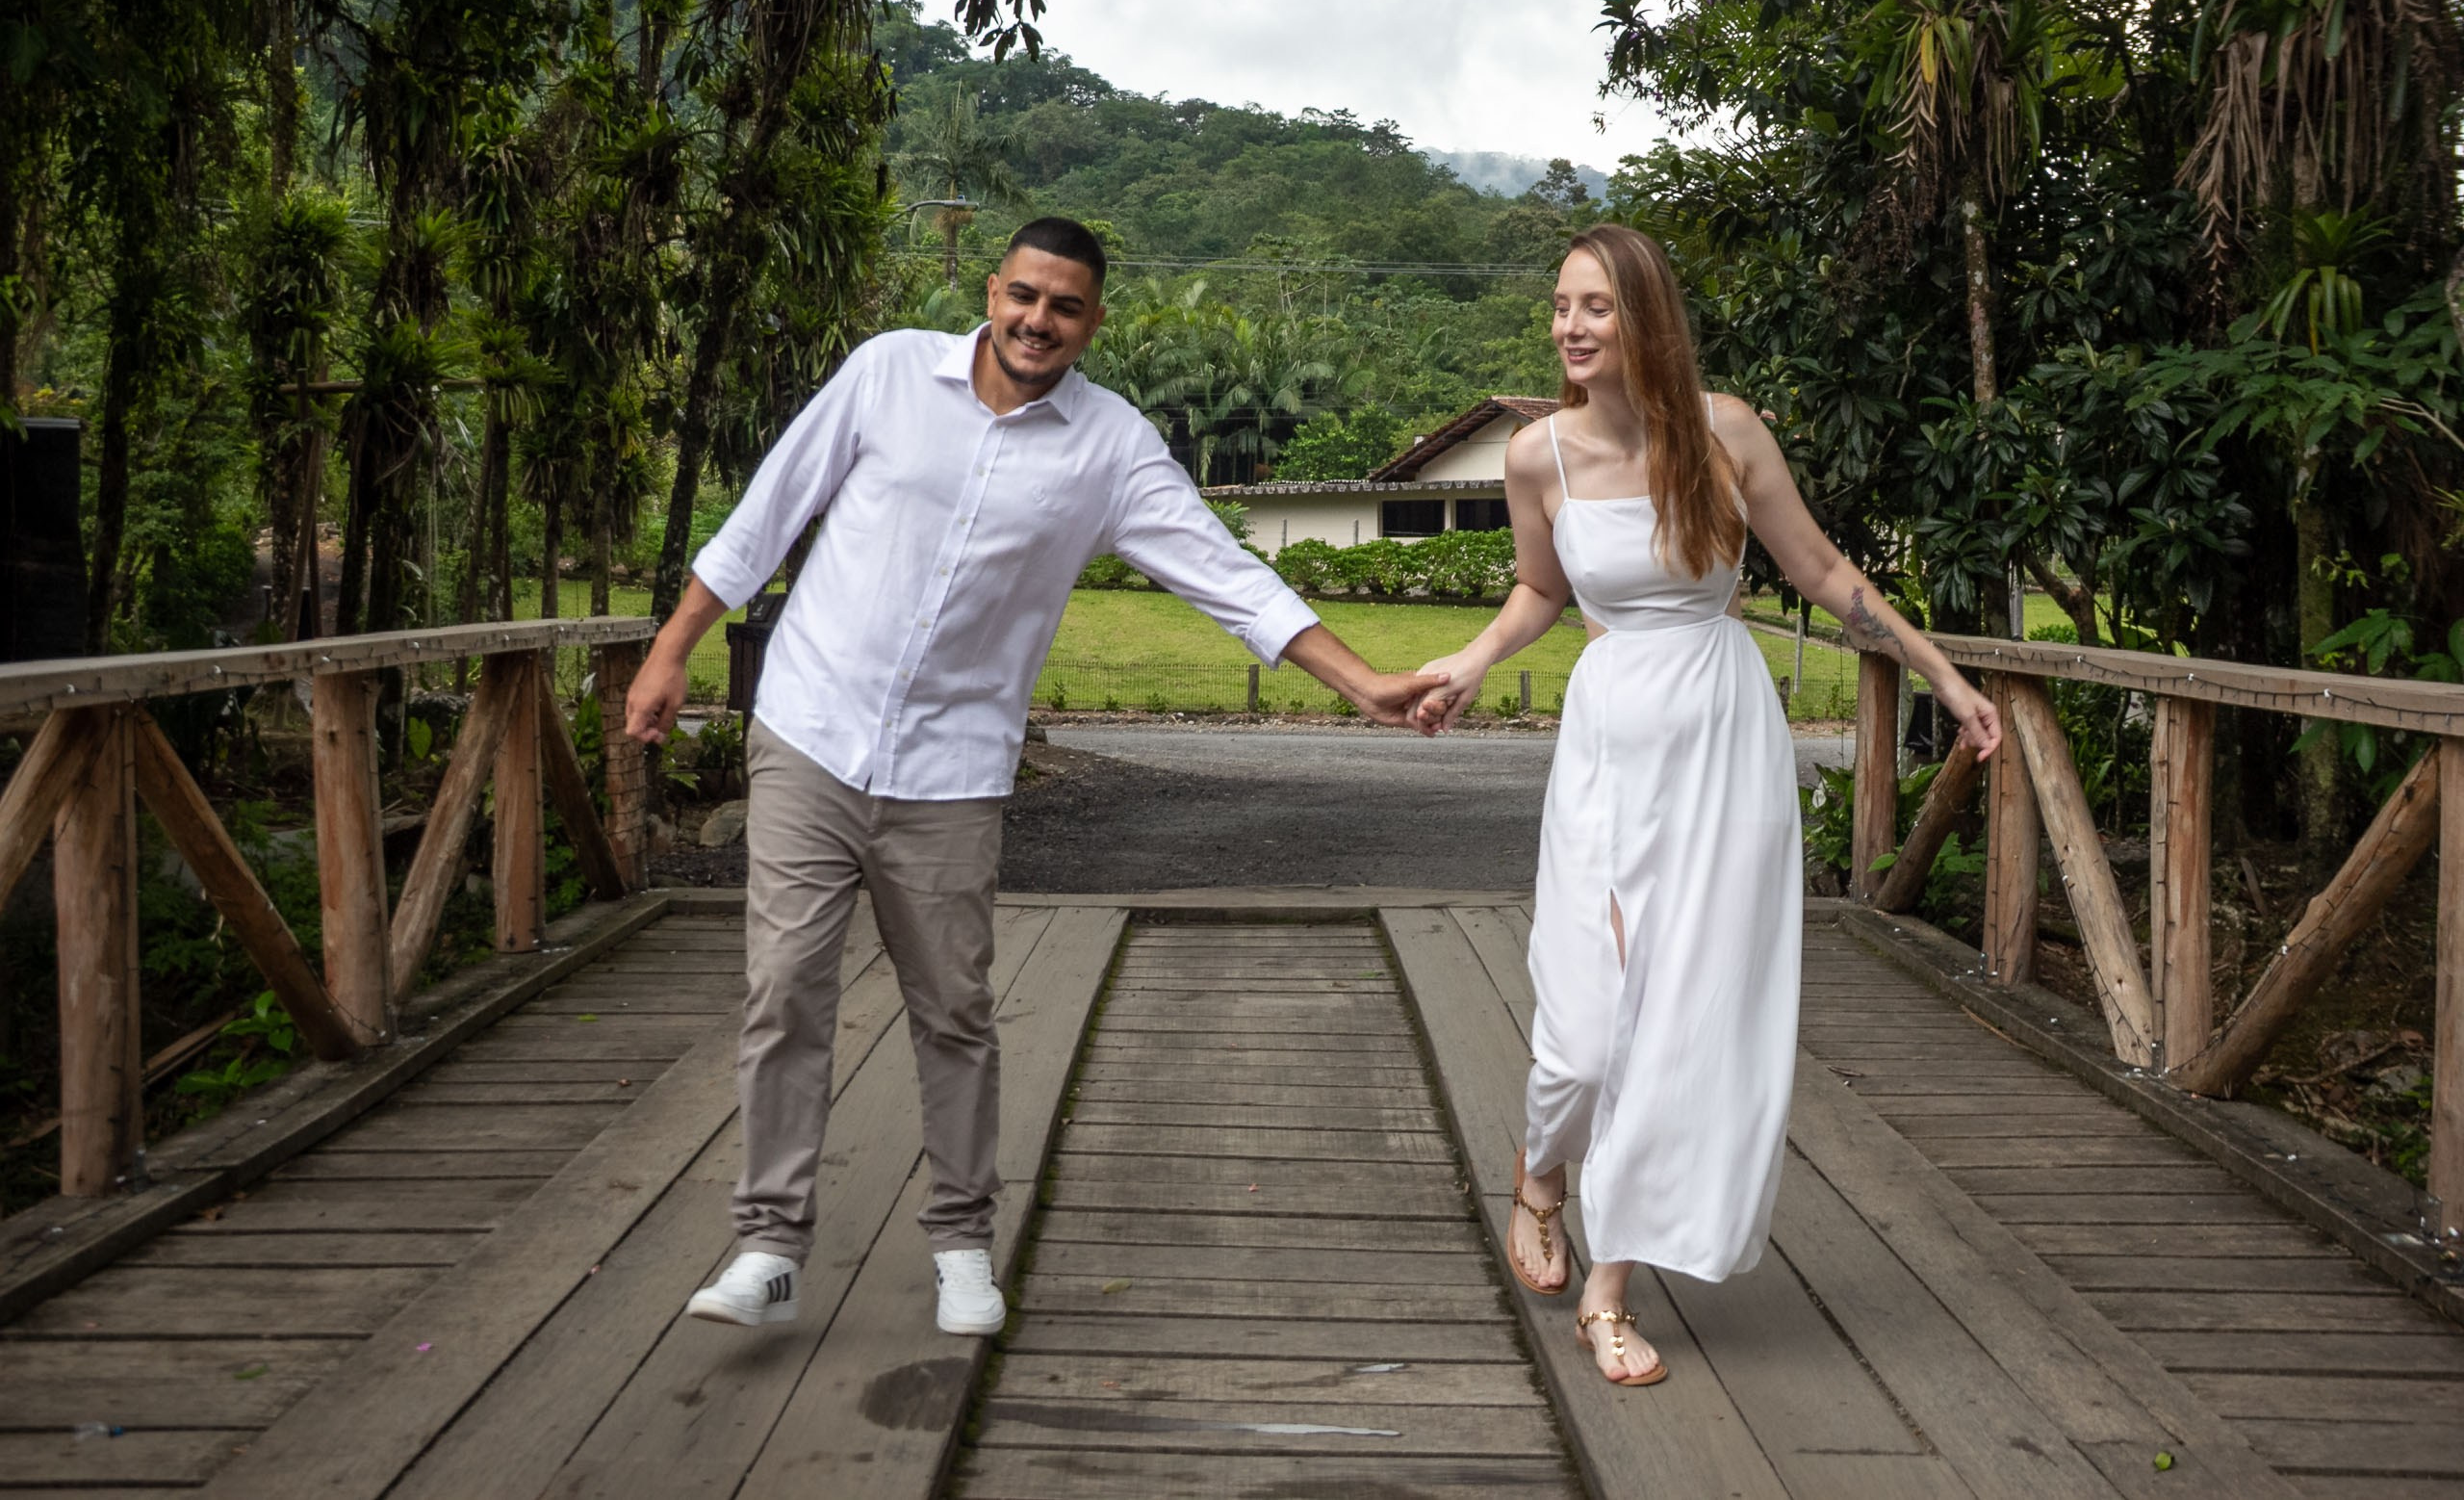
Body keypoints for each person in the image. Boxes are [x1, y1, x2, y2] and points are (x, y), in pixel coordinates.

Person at [625, 217, 1445, 1337]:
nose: (1036, 321)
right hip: (813, 731)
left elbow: (1224, 572)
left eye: (1063, 307)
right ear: (990, 290)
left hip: (953, 769)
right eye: (1022, 296)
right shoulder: (885, 375)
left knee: (953, 1010)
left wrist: (1360, 683)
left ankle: (962, 1244)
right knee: (783, 994)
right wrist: (672, 648)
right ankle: (769, 1243)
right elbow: (767, 512)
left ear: (1091, 322)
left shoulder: (1110, 447)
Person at [1413, 225, 2002, 1385]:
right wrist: (1477, 659)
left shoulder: (1726, 435)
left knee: (1677, 1020)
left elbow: (1826, 575)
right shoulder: (1536, 455)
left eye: (1594, 307)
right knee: (1583, 1031)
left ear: (1644, 319)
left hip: (1723, 744)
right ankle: (1541, 1172)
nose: (1569, 328)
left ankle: (1609, 1291)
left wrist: (1941, 672)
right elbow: (1540, 588)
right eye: (1559, 306)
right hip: (1608, 739)